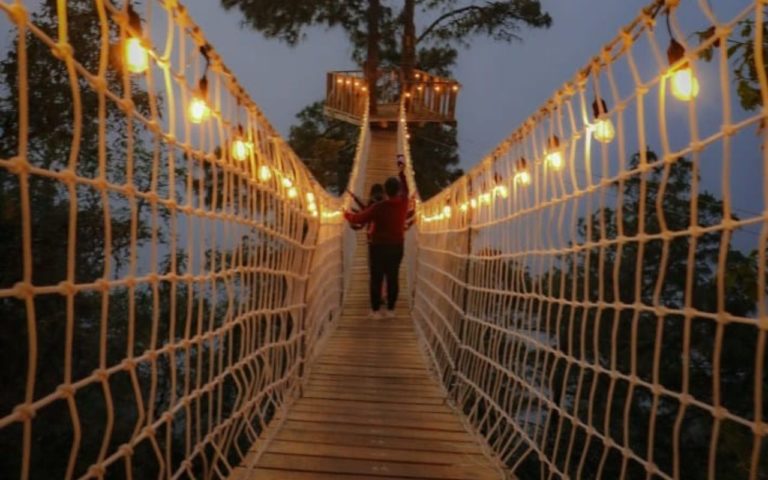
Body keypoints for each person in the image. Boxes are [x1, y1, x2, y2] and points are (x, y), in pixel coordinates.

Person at [344, 155, 409, 319]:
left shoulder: (378, 207)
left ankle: (375, 311)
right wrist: (402, 171)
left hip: (378, 247)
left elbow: (358, 219)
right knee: (393, 277)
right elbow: (406, 190)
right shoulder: (403, 204)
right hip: (397, 246)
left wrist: (344, 213)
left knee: (376, 278)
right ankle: (391, 310)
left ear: (386, 191)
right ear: (398, 191)